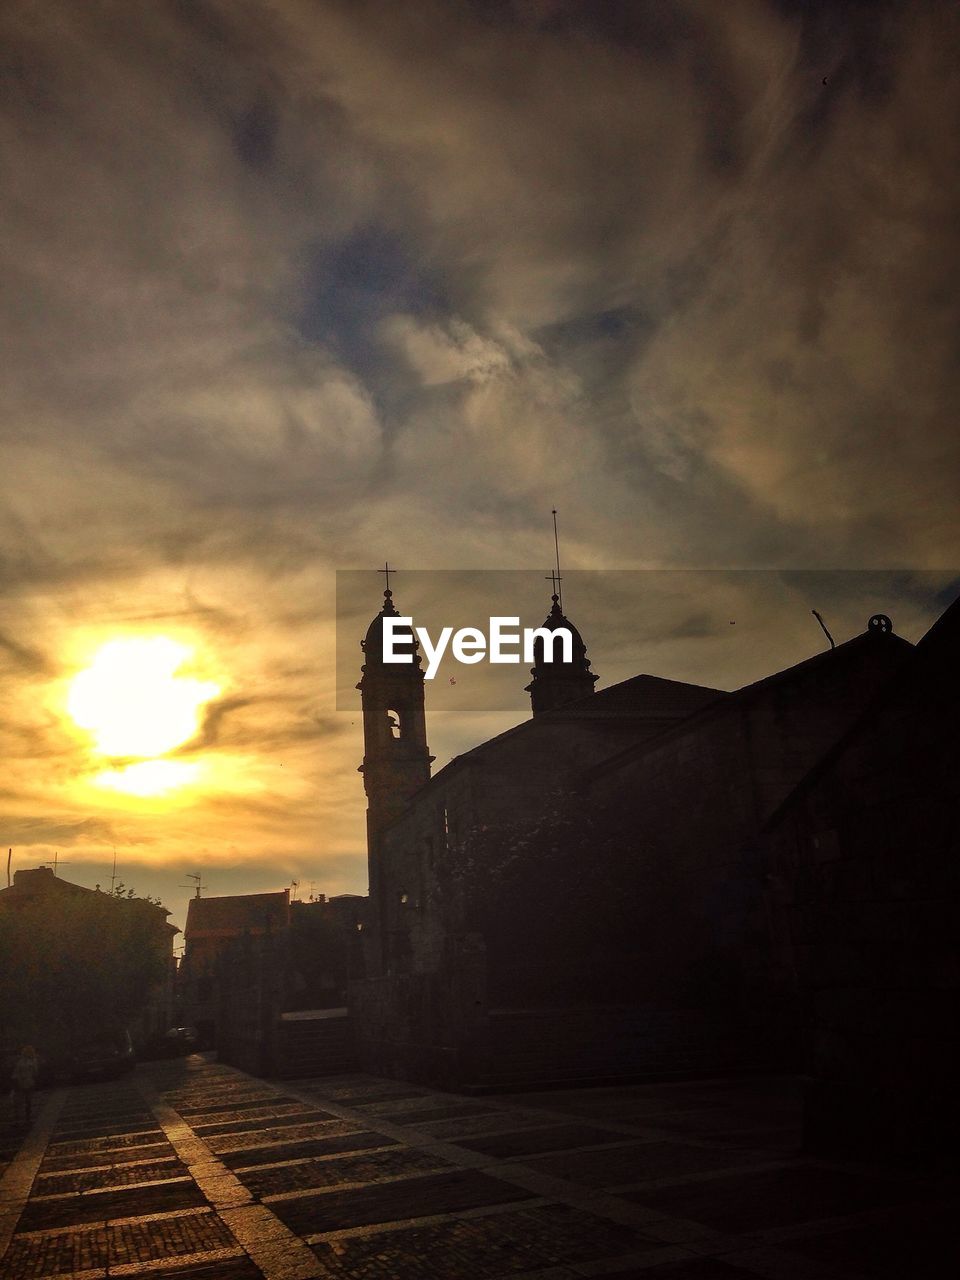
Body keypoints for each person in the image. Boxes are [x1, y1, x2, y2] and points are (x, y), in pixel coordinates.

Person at [11, 1045, 39, 1123]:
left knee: (24, 1101)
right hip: (25, 1082)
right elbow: (35, 1072)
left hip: (25, 1082)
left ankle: (23, 1118)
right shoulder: (31, 1061)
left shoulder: (22, 1061)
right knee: (26, 1101)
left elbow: (16, 1072)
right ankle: (25, 1118)